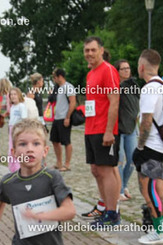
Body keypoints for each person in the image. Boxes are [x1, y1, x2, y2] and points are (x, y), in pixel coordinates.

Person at [81, 36, 121, 229]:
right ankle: (105, 209)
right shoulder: (91, 74)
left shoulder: (108, 70)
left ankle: (112, 213)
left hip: (104, 129)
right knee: (96, 170)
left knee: (106, 171)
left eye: (93, 50)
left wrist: (109, 131)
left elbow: (114, 101)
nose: (89, 53)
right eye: (86, 50)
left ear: (101, 51)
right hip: (91, 128)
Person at [133, 49, 163, 245]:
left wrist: (140, 147)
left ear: (141, 67)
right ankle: (162, 226)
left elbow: (146, 121)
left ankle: (159, 231)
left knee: (149, 190)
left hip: (151, 145)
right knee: (159, 187)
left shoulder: (149, 89)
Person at [115, 59, 140, 201]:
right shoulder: (115, 86)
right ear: (117, 71)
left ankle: (124, 185)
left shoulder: (134, 85)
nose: (126, 71)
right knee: (119, 161)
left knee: (132, 160)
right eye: (123, 68)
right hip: (118, 128)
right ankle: (118, 191)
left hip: (132, 128)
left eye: (128, 68)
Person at [49, 68, 76, 172]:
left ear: (60, 76)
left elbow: (72, 102)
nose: (54, 79)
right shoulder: (58, 88)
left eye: (54, 77)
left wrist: (68, 117)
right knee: (54, 140)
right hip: (57, 117)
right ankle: (59, 162)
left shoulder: (68, 87)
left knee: (66, 141)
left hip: (64, 117)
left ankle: (67, 164)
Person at [7, 87, 28, 172]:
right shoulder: (12, 107)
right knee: (11, 149)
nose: (13, 96)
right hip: (11, 129)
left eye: (15, 94)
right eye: (11, 94)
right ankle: (12, 168)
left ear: (19, 95)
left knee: (17, 149)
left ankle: (18, 168)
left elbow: (24, 119)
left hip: (18, 129)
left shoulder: (21, 106)